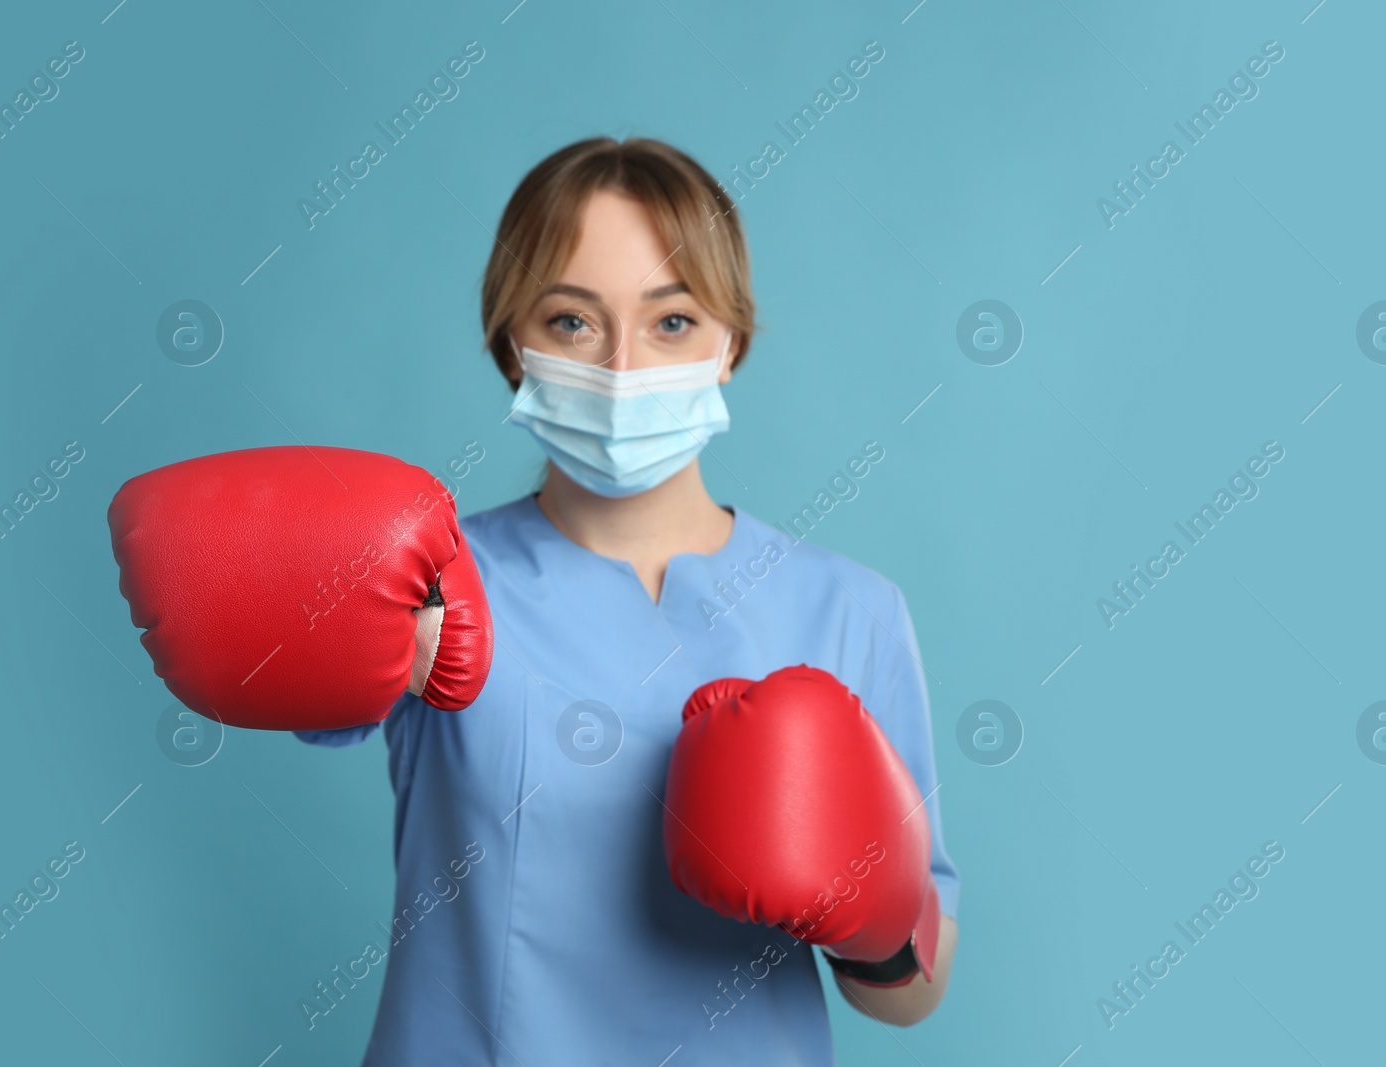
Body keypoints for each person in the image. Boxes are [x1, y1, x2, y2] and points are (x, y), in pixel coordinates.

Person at [293, 136, 959, 1065]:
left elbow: (914, 994)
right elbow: (270, 666)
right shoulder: (429, 581)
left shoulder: (852, 610)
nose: (622, 367)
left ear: (732, 342)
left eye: (672, 321)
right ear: (510, 339)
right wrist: (359, 630)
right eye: (572, 322)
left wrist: (866, 915)